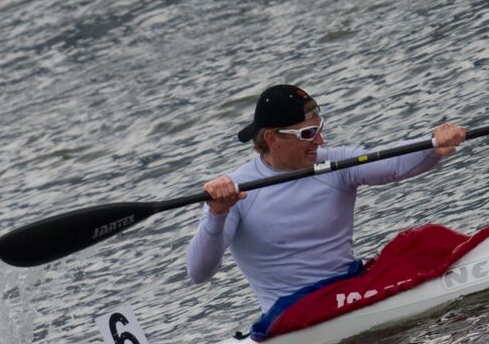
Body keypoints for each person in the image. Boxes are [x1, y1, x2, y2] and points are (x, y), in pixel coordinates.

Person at [185, 84, 467, 312]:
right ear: (272, 138)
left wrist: (432, 143)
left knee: (428, 239)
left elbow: (393, 163)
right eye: (308, 133)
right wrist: (217, 214)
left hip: (349, 289)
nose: (320, 141)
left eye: (320, 129)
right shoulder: (236, 190)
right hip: (293, 313)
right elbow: (199, 273)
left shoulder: (334, 164)